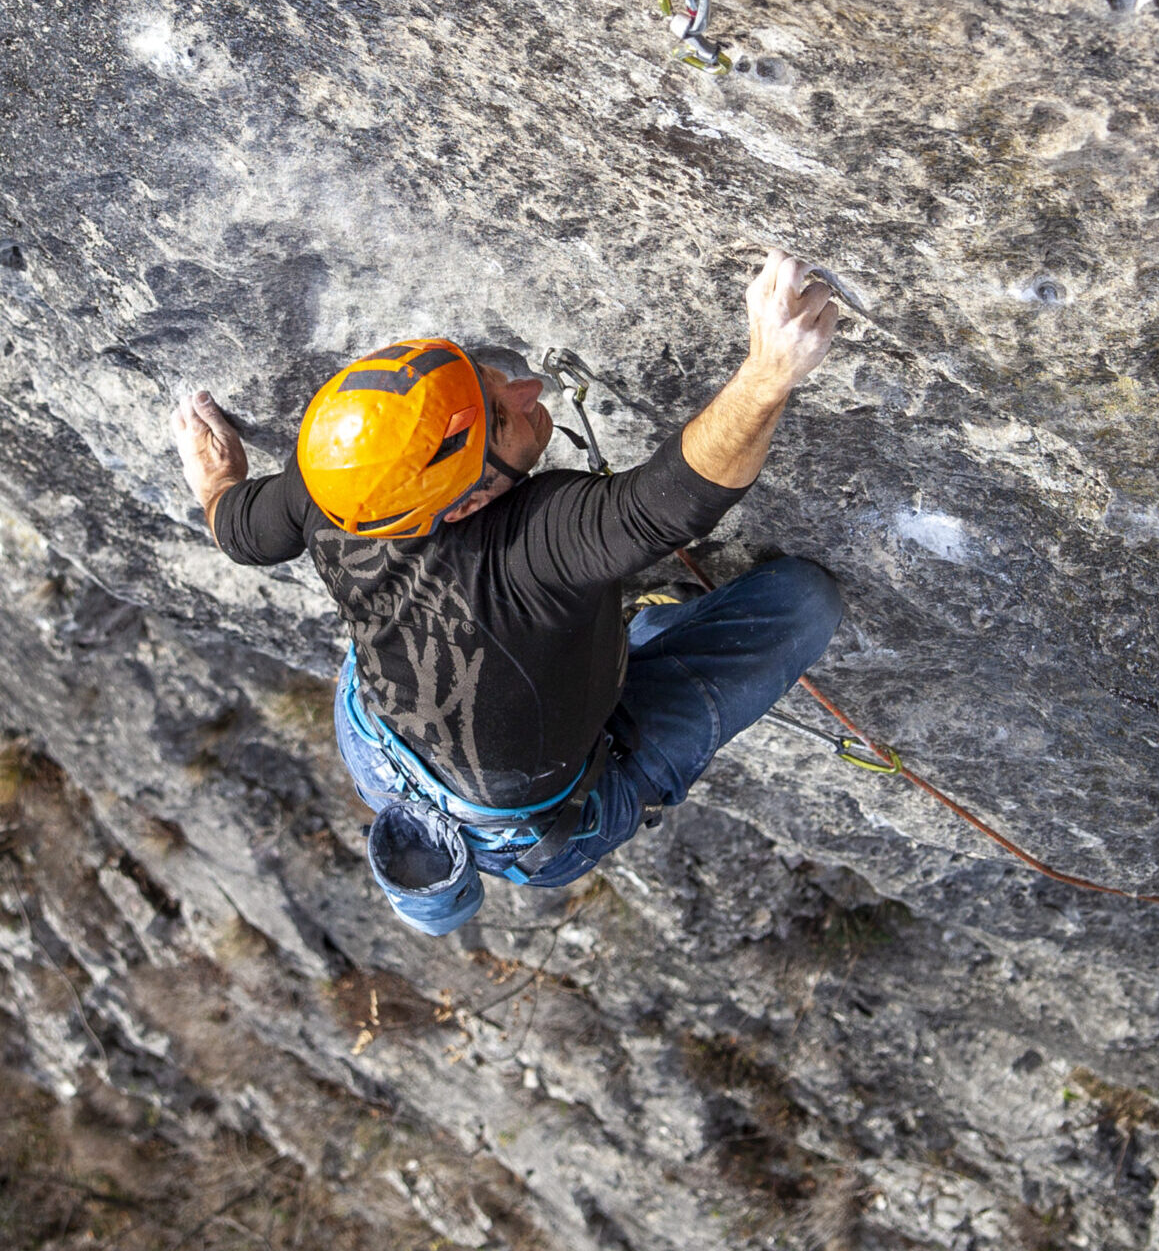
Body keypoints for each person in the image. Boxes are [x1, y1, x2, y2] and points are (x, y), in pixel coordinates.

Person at [171, 250, 844, 935]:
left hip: (385, 748)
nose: (529, 390)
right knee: (803, 602)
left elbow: (241, 533)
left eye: (485, 378)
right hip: (539, 827)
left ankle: (436, 883)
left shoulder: (344, 474)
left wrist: (217, 487)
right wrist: (768, 374)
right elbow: (669, 504)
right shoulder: (532, 544)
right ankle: (632, 646)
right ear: (465, 504)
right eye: (502, 413)